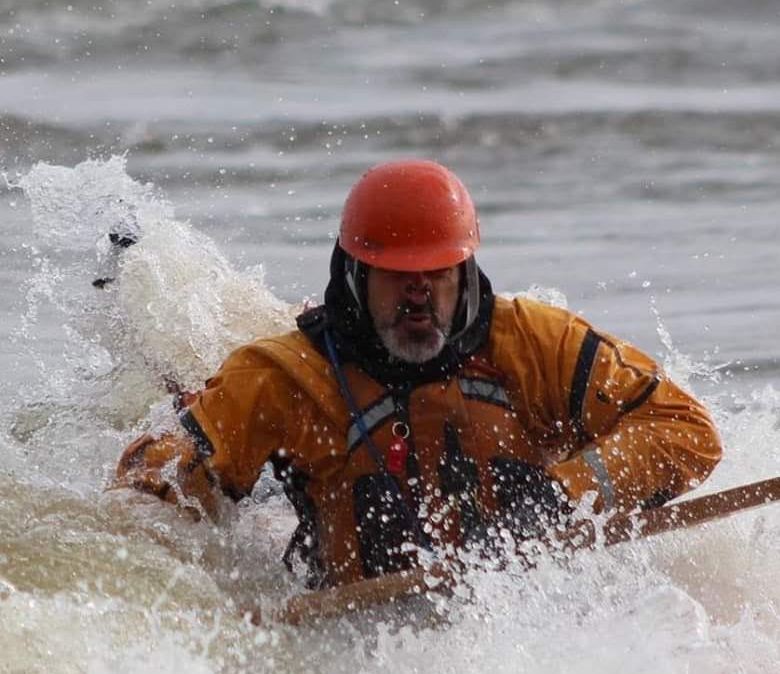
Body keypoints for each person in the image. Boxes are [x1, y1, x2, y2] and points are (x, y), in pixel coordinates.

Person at [114, 159, 722, 589]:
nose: (419, 297)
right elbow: (156, 478)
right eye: (397, 278)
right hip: (351, 627)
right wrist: (172, 516)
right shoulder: (284, 377)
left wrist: (558, 497)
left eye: (437, 275)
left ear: (466, 269)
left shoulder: (537, 343)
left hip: (525, 608)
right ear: (354, 276)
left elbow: (686, 431)